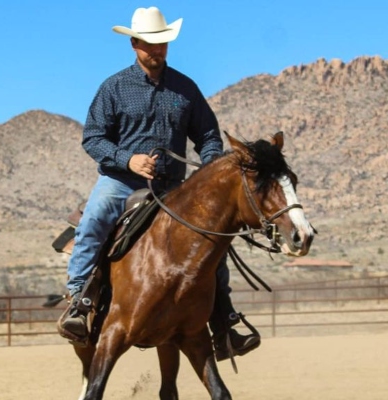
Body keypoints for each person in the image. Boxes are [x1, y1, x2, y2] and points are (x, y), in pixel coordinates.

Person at [61, 6, 259, 361]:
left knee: (214, 242)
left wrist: (207, 173)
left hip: (174, 189)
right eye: (150, 44)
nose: (157, 50)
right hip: (120, 183)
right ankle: (79, 302)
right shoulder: (114, 88)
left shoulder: (185, 89)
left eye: (162, 43)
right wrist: (128, 159)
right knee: (93, 221)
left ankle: (225, 323)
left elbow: (209, 136)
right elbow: (93, 138)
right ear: (134, 44)